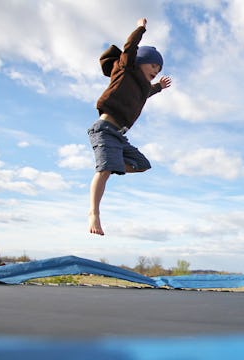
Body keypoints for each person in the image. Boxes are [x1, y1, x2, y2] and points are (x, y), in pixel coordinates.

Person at [88, 18, 171, 235]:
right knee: (104, 171)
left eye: (159, 68)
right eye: (153, 64)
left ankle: (112, 162)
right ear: (140, 61)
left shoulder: (142, 88)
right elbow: (130, 48)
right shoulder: (125, 68)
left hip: (119, 136)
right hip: (104, 129)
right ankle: (94, 213)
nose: (156, 69)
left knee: (143, 164)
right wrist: (140, 28)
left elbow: (147, 93)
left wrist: (159, 87)